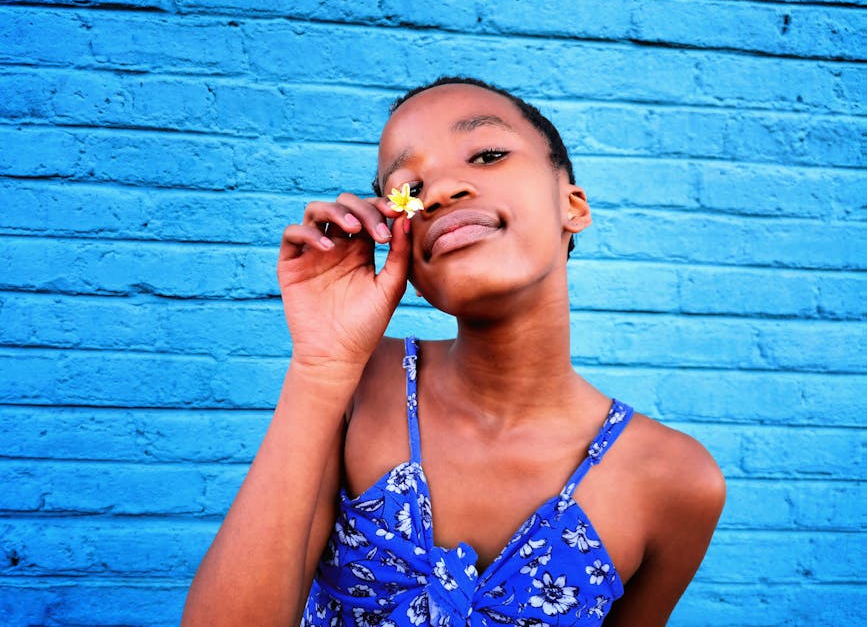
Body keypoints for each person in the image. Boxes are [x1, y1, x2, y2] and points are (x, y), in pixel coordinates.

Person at [182, 77, 726, 626]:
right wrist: (320, 367)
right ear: (406, 256)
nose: (439, 192)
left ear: (573, 205)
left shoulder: (676, 482)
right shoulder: (357, 386)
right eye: (409, 190)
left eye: (488, 154)